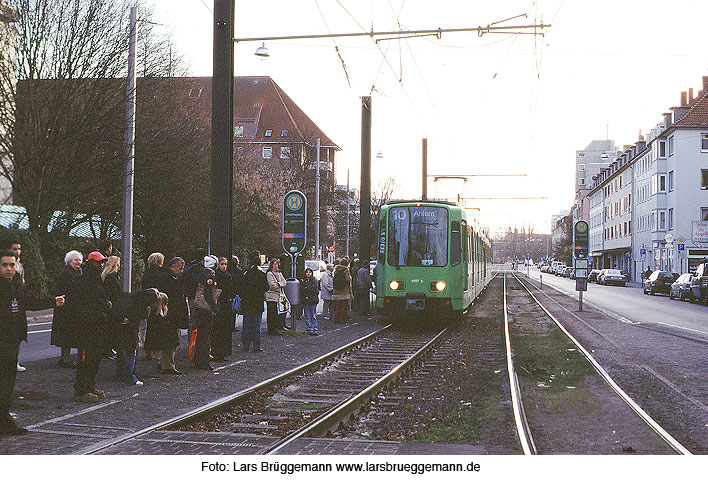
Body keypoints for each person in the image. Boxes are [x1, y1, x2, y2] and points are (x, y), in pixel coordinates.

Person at [69, 251, 111, 403]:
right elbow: (82, 306)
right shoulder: (84, 281)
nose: (101, 265)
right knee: (86, 359)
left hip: (97, 325)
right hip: (87, 327)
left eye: (102, 262)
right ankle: (81, 389)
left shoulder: (95, 279)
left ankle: (90, 386)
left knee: (94, 359)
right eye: (98, 262)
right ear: (90, 263)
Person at [0, 249, 28, 435]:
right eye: (4, 265)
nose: (9, 269)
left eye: (12, 265)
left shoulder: (16, 284)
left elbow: (28, 302)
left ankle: (5, 421)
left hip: (12, 342)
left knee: (7, 384)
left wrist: (53, 301)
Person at [113, 288, 167, 385]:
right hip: (130, 325)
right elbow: (139, 311)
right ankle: (129, 377)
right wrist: (130, 318)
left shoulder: (133, 297)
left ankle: (122, 374)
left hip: (122, 322)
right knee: (131, 350)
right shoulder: (145, 300)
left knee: (123, 349)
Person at [154, 257, 188, 375]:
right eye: (180, 268)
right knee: (171, 340)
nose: (181, 271)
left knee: (169, 339)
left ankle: (164, 362)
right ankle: (168, 365)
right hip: (171, 313)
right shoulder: (168, 279)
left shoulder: (165, 277)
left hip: (169, 313)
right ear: (173, 267)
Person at [51, 250, 83, 368]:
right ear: (69, 261)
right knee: (66, 334)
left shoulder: (75, 272)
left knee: (67, 334)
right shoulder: (67, 273)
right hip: (66, 309)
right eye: (76, 260)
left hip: (69, 308)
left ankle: (65, 358)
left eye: (79, 260)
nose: (78, 262)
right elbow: (73, 289)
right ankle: (65, 360)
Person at [237, 251, 269, 352]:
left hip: (247, 303)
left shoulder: (246, 274)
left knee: (246, 325)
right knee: (256, 326)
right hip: (258, 303)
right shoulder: (262, 275)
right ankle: (257, 346)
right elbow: (266, 288)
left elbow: (241, 287)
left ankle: (245, 345)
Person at [4, 239, 26, 373]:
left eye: (19, 249)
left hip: (17, 298)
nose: (17, 251)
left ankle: (14, 360)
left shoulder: (20, 266)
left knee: (16, 332)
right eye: (14, 249)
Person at [193, 255, 218, 370]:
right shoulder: (210, 275)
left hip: (198, 307)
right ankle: (203, 362)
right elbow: (208, 293)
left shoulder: (201, 273)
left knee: (200, 335)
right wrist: (214, 307)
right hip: (205, 308)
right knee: (206, 335)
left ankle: (197, 360)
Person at [142, 252, 165, 360]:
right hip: (158, 300)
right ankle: (156, 352)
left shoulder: (147, 273)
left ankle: (147, 351)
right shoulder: (160, 273)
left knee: (150, 327)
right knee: (158, 327)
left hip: (147, 300)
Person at [211, 257, 233, 361]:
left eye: (225, 264)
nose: (224, 266)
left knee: (223, 329)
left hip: (225, 304)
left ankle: (221, 353)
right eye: (222, 264)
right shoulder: (218, 276)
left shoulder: (226, 275)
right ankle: (217, 353)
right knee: (218, 330)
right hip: (220, 303)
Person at [265, 258, 287, 335]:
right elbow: (271, 285)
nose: (276, 266)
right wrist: (279, 284)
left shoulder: (280, 273)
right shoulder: (269, 273)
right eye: (274, 264)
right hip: (271, 296)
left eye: (277, 264)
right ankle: (270, 329)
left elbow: (284, 282)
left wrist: (278, 284)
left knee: (276, 314)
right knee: (271, 313)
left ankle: (275, 328)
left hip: (278, 295)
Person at [332, 259, 351, 324]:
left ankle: (336, 319)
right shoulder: (346, 270)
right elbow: (347, 279)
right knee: (344, 306)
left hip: (336, 291)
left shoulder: (336, 270)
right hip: (344, 291)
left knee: (337, 306)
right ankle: (342, 319)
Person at [301, 267, 319, 335]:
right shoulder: (303, 281)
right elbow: (302, 290)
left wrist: (307, 289)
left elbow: (315, 290)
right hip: (306, 300)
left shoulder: (314, 280)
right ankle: (309, 329)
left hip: (313, 300)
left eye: (309, 272)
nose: (308, 273)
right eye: (307, 272)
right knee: (307, 315)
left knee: (313, 315)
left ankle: (314, 329)